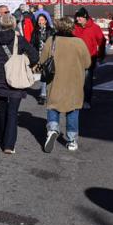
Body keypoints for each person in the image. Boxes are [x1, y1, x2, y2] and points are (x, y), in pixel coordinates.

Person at [0, 13, 39, 154]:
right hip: (16, 78)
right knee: (13, 112)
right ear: (14, 24)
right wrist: (24, 58)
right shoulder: (19, 39)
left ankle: (3, 137)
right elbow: (35, 56)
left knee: (2, 108)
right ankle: (9, 145)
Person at [41, 17, 91, 152]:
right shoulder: (79, 42)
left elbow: (43, 61)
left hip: (55, 80)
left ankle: (52, 129)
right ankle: (72, 140)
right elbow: (87, 63)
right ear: (72, 27)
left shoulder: (51, 41)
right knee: (73, 109)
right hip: (74, 82)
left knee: (53, 106)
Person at [72, 8, 105, 109]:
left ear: (85, 17)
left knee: (87, 81)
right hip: (75, 59)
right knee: (75, 81)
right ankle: (76, 100)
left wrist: (101, 55)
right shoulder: (74, 27)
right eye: (76, 17)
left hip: (90, 58)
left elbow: (102, 41)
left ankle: (86, 101)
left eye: (80, 16)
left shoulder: (95, 27)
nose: (78, 19)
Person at [30, 12, 54, 105]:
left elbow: (54, 43)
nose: (40, 21)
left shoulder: (51, 30)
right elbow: (32, 43)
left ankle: (48, 94)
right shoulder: (35, 31)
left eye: (42, 20)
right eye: (39, 20)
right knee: (44, 74)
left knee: (50, 75)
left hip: (49, 56)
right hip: (39, 56)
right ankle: (43, 95)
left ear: (46, 21)